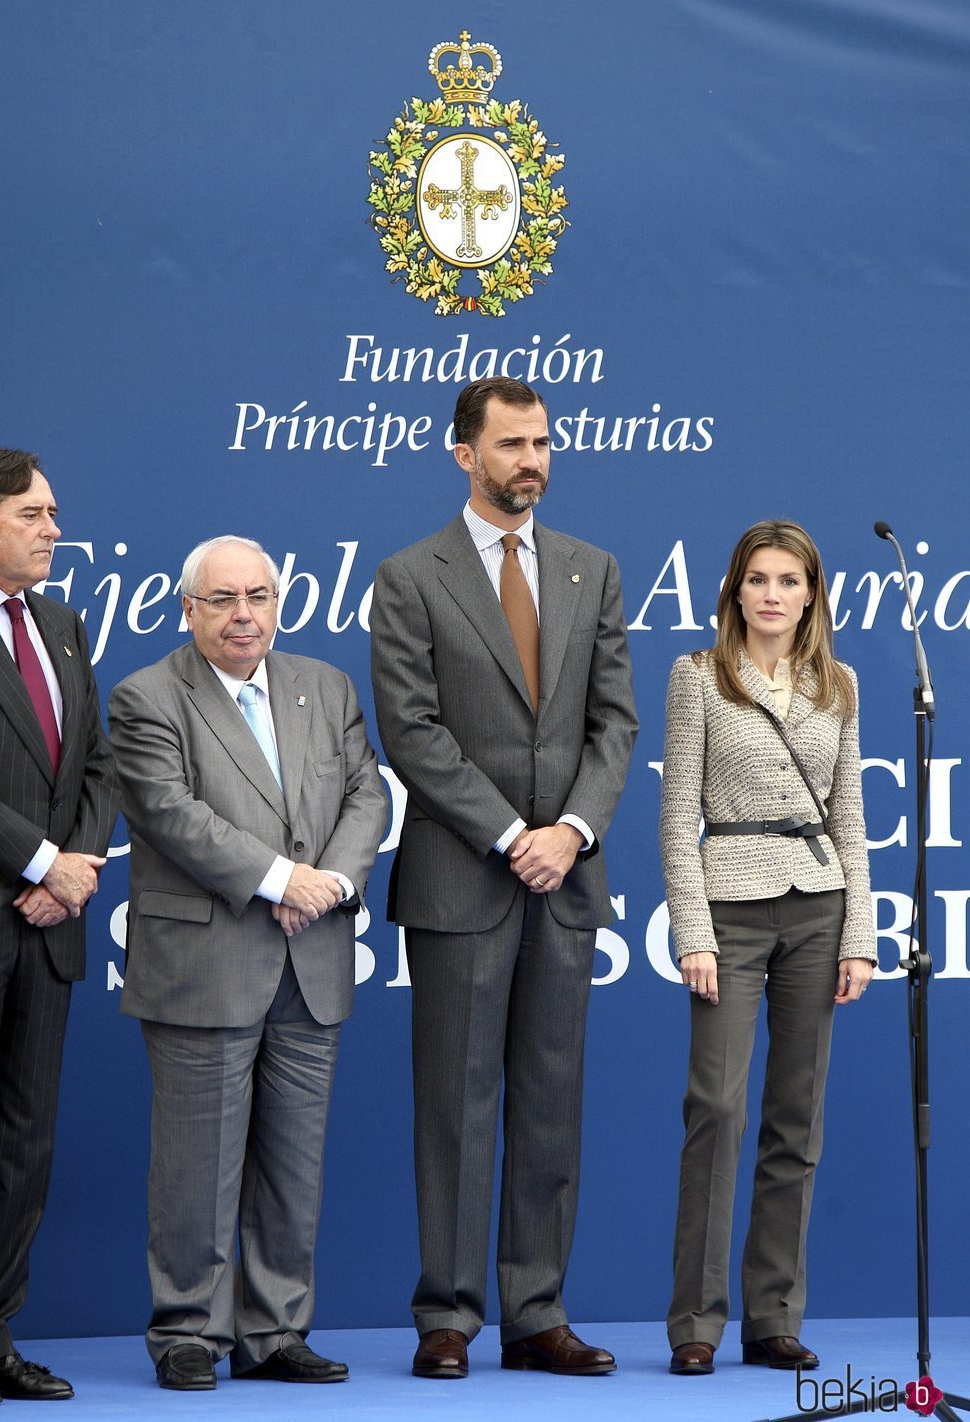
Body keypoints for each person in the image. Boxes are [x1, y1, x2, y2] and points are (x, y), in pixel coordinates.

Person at [370, 376, 638, 1380]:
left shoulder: (590, 571)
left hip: (562, 882)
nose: (531, 460)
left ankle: (535, 1314)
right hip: (460, 882)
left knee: (550, 1098)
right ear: (463, 454)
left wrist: (566, 831)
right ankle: (447, 1314)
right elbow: (413, 732)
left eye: (541, 443)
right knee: (454, 1101)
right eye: (511, 444)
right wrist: (506, 832)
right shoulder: (408, 577)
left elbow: (614, 724)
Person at [108, 535, 388, 1392]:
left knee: (293, 1160)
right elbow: (169, 812)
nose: (243, 615)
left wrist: (332, 881)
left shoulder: (326, 685)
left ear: (278, 602)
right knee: (197, 1162)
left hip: (313, 957)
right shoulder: (146, 696)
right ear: (188, 609)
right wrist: (281, 879)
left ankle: (274, 1331)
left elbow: (366, 792)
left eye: (257, 597)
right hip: (206, 963)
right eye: (223, 599)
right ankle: (188, 1331)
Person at [659, 519, 877, 1377]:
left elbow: (851, 819)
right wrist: (694, 932)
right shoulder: (699, 676)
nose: (773, 595)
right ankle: (695, 1325)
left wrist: (860, 935)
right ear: (735, 591)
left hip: (820, 909)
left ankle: (772, 1314)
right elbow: (679, 816)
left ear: (812, 593)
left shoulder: (839, 684)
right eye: (758, 580)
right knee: (716, 1108)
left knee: (797, 1116)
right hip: (733, 909)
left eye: (789, 580)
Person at [0, 448, 119, 1404]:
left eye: (55, 512)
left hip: (50, 928)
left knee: (23, 1144)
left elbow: (98, 769)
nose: (52, 528)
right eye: (34, 513)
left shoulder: (64, 627)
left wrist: (70, 875)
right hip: (2, 906)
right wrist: (38, 862)